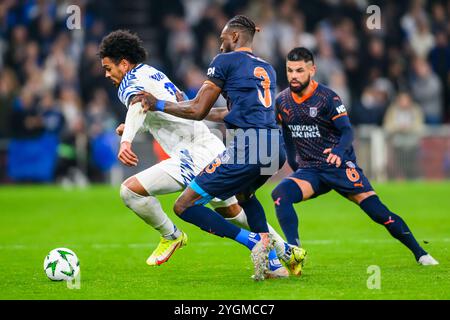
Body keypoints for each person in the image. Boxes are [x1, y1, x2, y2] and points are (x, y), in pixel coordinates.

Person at [98, 29, 297, 277]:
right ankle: (283, 253)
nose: (107, 74)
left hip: (192, 153)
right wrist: (130, 126)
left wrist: (126, 141)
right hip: (208, 145)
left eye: (108, 67)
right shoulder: (152, 73)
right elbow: (158, 110)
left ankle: (172, 235)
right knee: (234, 211)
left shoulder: (128, 82)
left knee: (130, 191)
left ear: (124, 63)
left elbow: (140, 103)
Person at [272, 47, 438, 266]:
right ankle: (295, 255)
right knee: (280, 194)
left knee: (378, 213)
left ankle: (421, 253)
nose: (293, 76)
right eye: (290, 70)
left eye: (299, 70)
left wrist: (338, 153)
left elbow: (348, 131)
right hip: (311, 171)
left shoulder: (327, 98)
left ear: (312, 70)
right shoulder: (282, 101)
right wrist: (295, 166)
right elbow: (286, 135)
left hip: (339, 166)